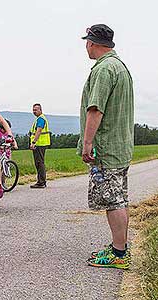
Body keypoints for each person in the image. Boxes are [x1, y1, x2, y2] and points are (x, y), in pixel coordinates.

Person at [78, 24, 134, 270]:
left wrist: (88, 143)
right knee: (119, 198)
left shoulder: (104, 69)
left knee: (113, 201)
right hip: (120, 145)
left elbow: (96, 109)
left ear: (92, 42)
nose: (86, 46)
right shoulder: (120, 67)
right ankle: (118, 246)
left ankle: (119, 254)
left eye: (87, 41)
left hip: (107, 147)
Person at [29, 103, 51, 188]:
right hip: (40, 143)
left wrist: (34, 142)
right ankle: (41, 181)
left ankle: (41, 182)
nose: (34, 111)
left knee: (39, 162)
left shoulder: (41, 119)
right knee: (39, 162)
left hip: (39, 144)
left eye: (36, 110)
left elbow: (38, 131)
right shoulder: (39, 118)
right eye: (33, 110)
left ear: (40, 110)